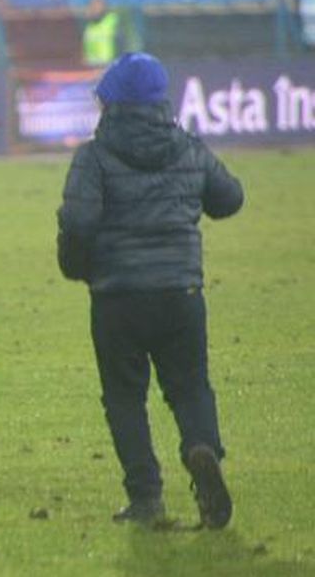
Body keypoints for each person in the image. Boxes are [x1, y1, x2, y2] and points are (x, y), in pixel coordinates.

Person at [57, 52, 243, 528]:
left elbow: (78, 222)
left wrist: (76, 267)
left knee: (124, 398)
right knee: (190, 386)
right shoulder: (188, 148)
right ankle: (202, 448)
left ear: (110, 103)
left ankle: (146, 498)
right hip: (181, 293)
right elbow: (229, 199)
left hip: (117, 296)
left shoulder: (94, 157)